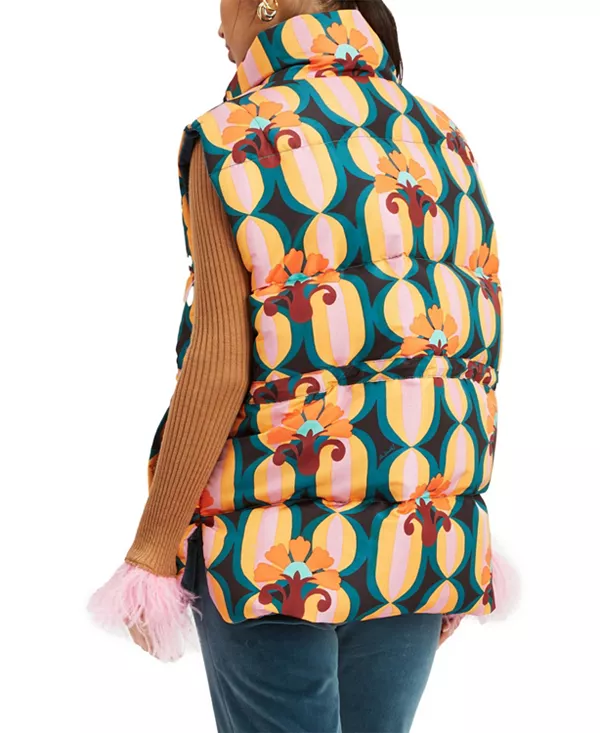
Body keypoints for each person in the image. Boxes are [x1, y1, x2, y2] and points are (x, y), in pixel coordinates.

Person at [89, 1, 510, 731]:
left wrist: (152, 548)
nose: (217, 24)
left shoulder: (235, 138)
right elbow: (472, 345)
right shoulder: (437, 133)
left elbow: (219, 365)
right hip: (416, 532)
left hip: (271, 548)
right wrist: (450, 533)